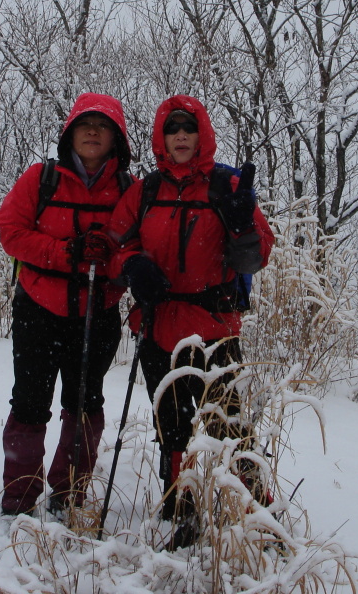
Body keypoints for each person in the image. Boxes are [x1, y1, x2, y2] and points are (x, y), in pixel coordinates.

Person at [107, 94, 275, 547]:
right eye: (172, 129)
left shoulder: (226, 187)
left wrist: (242, 224)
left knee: (230, 424)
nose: (180, 136)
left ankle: (258, 513)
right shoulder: (144, 191)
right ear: (161, 137)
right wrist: (133, 265)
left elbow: (256, 256)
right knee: (171, 426)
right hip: (160, 325)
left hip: (214, 327)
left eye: (188, 128)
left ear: (201, 134)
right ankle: (179, 507)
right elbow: (116, 243)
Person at [0, 93, 132, 518]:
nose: (93, 132)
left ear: (117, 138)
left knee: (85, 405)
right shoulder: (42, 179)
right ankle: (19, 499)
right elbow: (10, 231)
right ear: (69, 133)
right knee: (30, 404)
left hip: (98, 313)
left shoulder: (129, 190)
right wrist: (64, 253)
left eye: (103, 126)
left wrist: (110, 256)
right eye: (84, 124)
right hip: (38, 310)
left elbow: (139, 245)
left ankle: (69, 496)